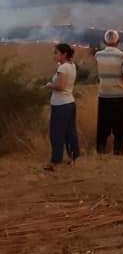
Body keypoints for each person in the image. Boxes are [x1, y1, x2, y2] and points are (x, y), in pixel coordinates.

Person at [94, 30, 123, 155]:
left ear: (105, 41)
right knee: (121, 125)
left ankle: (100, 150)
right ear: (118, 41)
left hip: (104, 94)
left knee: (103, 124)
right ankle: (118, 150)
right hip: (120, 95)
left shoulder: (98, 55)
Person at [44, 43, 80, 171]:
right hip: (69, 103)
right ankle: (74, 156)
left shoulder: (63, 68)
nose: (54, 55)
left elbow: (60, 86)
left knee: (56, 133)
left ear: (64, 54)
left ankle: (55, 161)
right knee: (70, 131)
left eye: (56, 53)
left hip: (61, 105)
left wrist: (49, 85)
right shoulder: (71, 65)